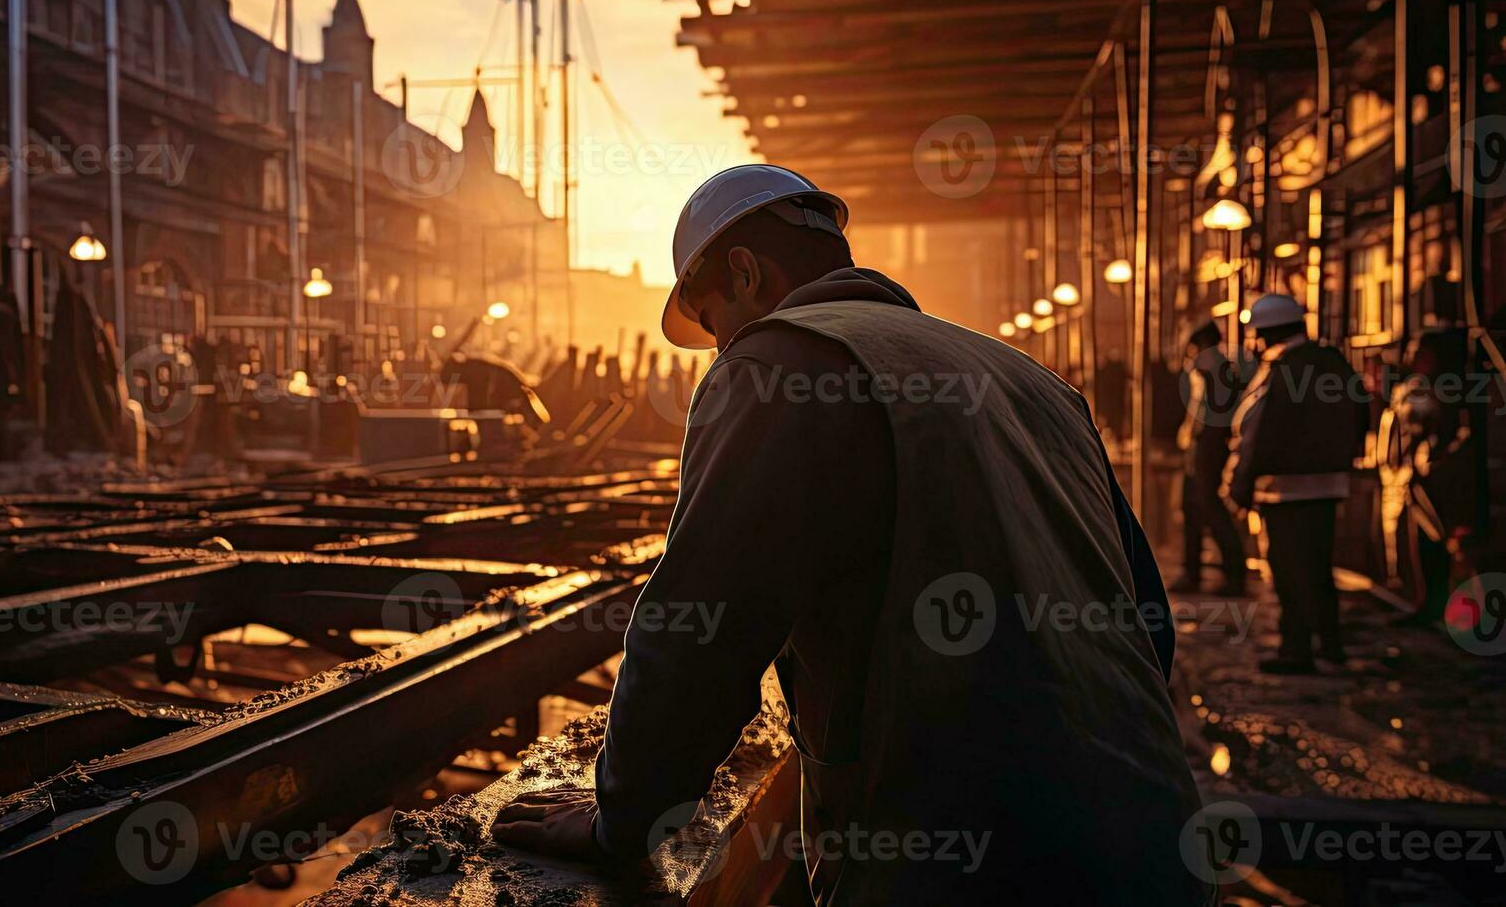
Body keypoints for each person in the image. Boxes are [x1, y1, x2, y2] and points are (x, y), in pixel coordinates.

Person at [491, 165, 1208, 905]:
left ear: (742, 272)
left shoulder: (779, 363)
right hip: (1151, 840)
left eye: (712, 326)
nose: (719, 353)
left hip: (962, 863)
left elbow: (698, 632)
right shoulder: (1033, 381)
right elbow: (1147, 625)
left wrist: (623, 818)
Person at [1222, 294, 1367, 674]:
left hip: (1283, 490)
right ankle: (1331, 645)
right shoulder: (1333, 362)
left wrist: (1240, 485)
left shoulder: (1280, 369)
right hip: (1328, 485)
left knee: (1287, 570)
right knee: (1319, 568)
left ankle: (1296, 649)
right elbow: (1361, 411)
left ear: (1266, 333)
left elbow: (1259, 435)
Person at [1173, 322, 1247, 596]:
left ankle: (1225, 573)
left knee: (1207, 508)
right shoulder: (1222, 369)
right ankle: (1200, 572)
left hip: (1207, 446)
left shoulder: (1208, 368)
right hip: (1207, 445)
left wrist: (1191, 439)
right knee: (1195, 509)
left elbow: (1201, 412)